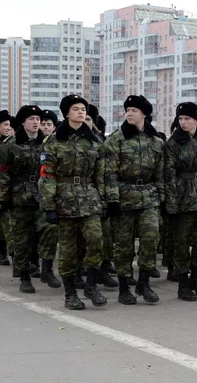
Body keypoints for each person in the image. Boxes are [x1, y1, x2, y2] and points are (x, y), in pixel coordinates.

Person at [39, 94, 107, 310]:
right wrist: (49, 205)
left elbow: (102, 174)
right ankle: (70, 294)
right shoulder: (54, 141)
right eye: (76, 108)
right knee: (68, 250)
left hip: (90, 198)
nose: (81, 112)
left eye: (83, 109)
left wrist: (105, 200)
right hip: (64, 200)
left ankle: (91, 285)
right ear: (66, 112)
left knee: (96, 240)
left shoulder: (95, 141)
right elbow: (47, 174)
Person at [104, 95, 163, 305]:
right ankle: (123, 287)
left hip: (149, 196)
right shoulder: (115, 140)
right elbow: (109, 173)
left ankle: (144, 282)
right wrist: (111, 201)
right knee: (123, 245)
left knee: (150, 238)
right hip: (123, 196)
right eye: (127, 110)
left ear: (144, 114)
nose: (129, 113)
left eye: (134, 110)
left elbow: (160, 174)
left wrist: (162, 199)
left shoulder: (156, 141)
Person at [0, 105, 61, 293]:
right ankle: (24, 276)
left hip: (43, 194)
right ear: (23, 122)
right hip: (20, 196)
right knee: (22, 239)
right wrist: (4, 198)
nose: (36, 123)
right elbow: (3, 172)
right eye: (32, 119)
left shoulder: (48, 143)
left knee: (49, 229)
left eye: (38, 119)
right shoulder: (10, 144)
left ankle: (46, 268)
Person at [164, 102, 197, 301]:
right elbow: (168, 174)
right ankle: (183, 283)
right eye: (180, 119)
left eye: (187, 118)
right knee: (181, 242)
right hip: (182, 197)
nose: (183, 122)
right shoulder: (173, 143)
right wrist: (171, 203)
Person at [0, 110, 13, 266]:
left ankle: (8, 253)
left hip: (5, 188)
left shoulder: (9, 143)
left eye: (9, 124)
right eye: (5, 124)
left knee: (7, 224)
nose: (8, 127)